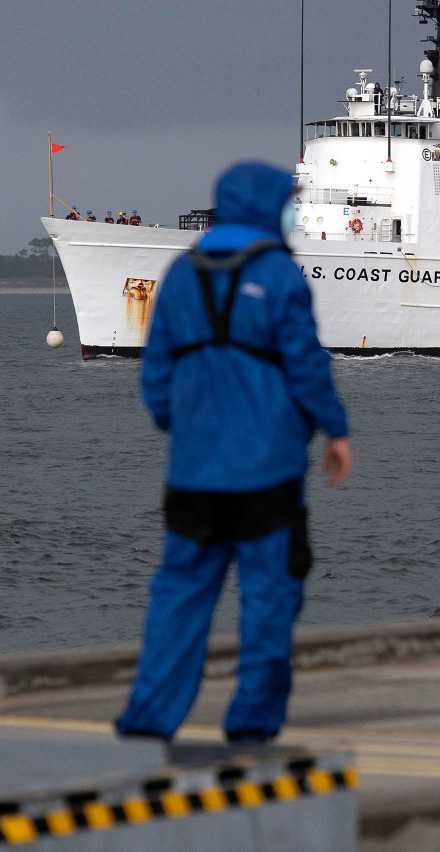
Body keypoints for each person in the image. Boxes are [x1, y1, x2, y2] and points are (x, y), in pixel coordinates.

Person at [115, 160, 351, 744]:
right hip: (268, 473)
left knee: (179, 595)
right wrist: (334, 429)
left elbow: (157, 371)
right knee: (269, 598)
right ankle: (252, 722)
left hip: (194, 473)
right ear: (270, 206)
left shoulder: (179, 274)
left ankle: (150, 720)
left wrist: (182, 426)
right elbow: (306, 363)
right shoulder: (279, 275)